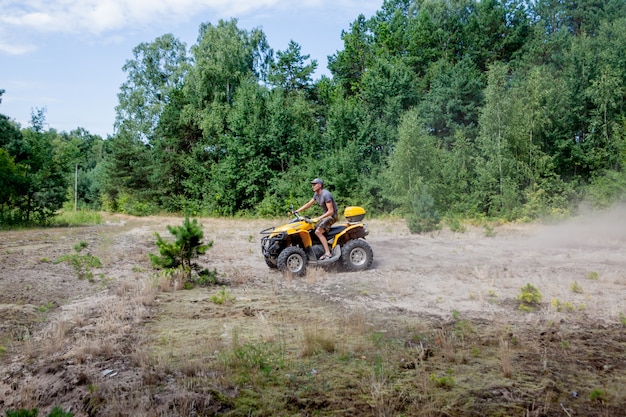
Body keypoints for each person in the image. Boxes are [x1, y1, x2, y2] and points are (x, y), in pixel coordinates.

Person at [295, 178, 338, 260]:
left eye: (314, 184)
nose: (312, 186)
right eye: (312, 184)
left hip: (332, 216)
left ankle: (328, 253)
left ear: (320, 185)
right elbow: (308, 204)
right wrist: (297, 210)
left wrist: (318, 218)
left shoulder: (326, 194)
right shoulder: (316, 194)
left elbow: (331, 211)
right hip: (325, 215)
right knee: (311, 227)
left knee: (318, 231)